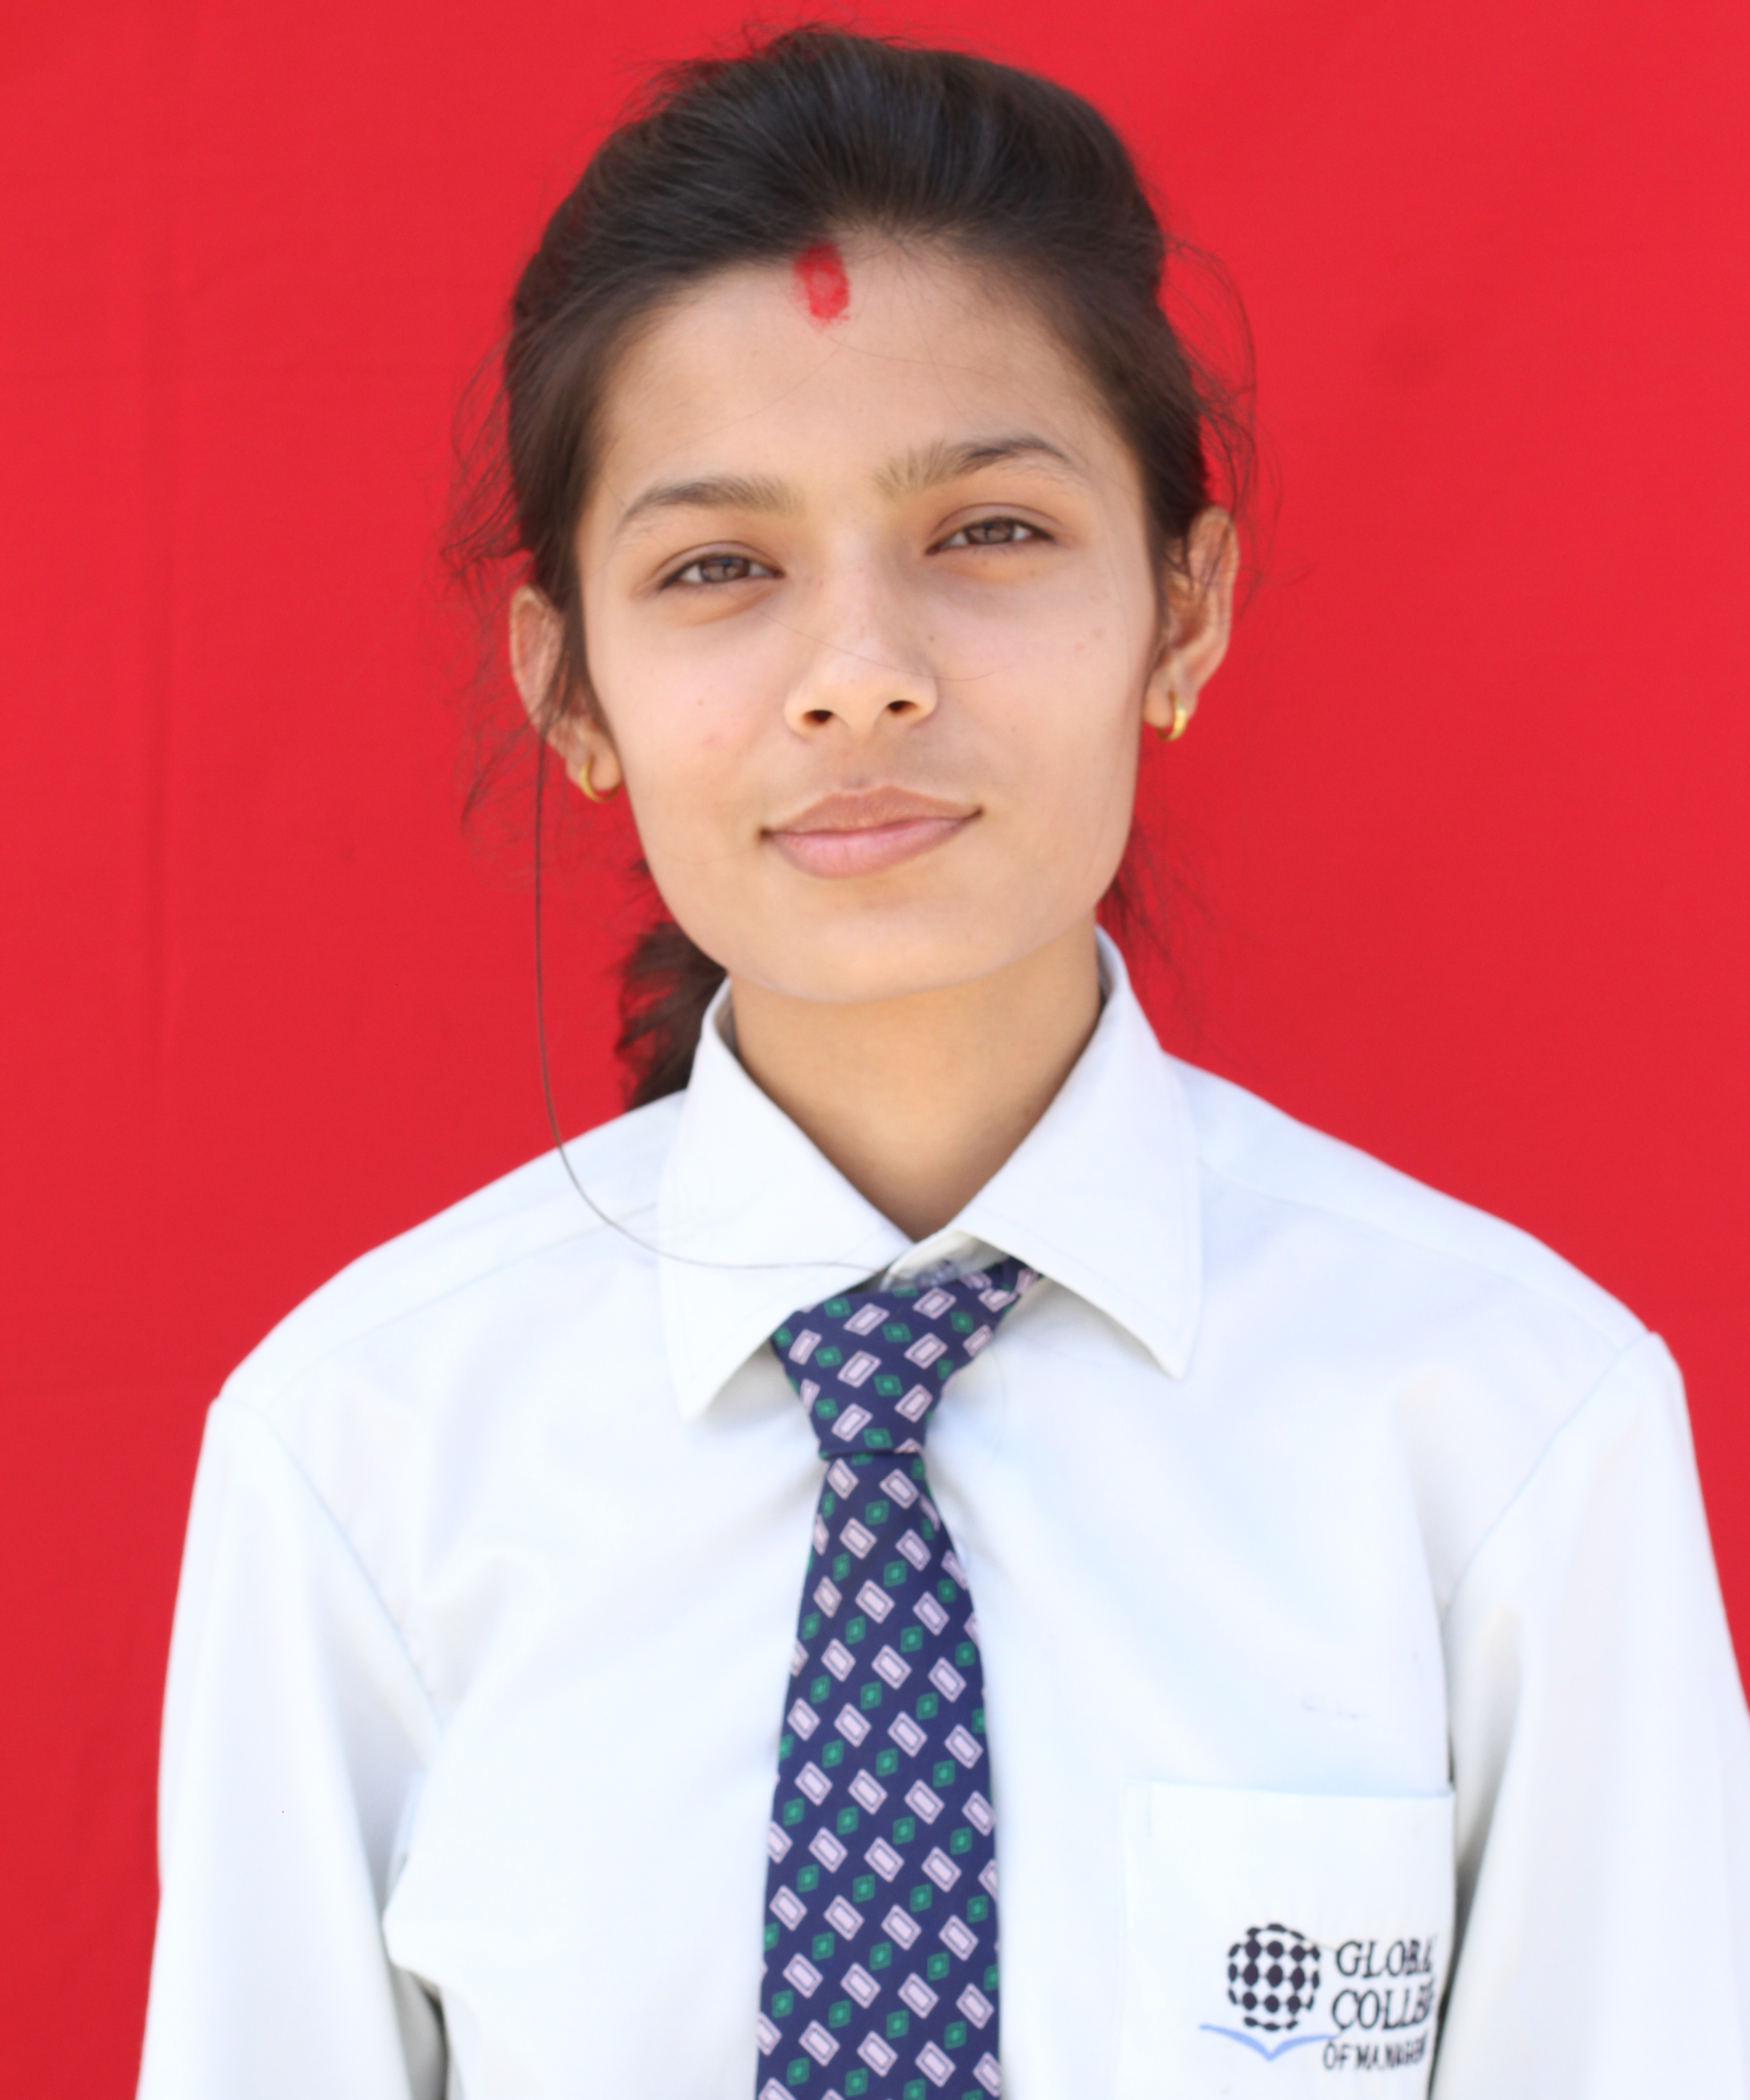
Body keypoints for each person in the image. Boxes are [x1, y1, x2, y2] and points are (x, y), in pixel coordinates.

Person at [136, 27, 1749, 2100]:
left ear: (1184, 609)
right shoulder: (361, 1456)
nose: (862, 674)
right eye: (718, 567)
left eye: (988, 530)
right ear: (571, 689)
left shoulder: (1511, 1437)